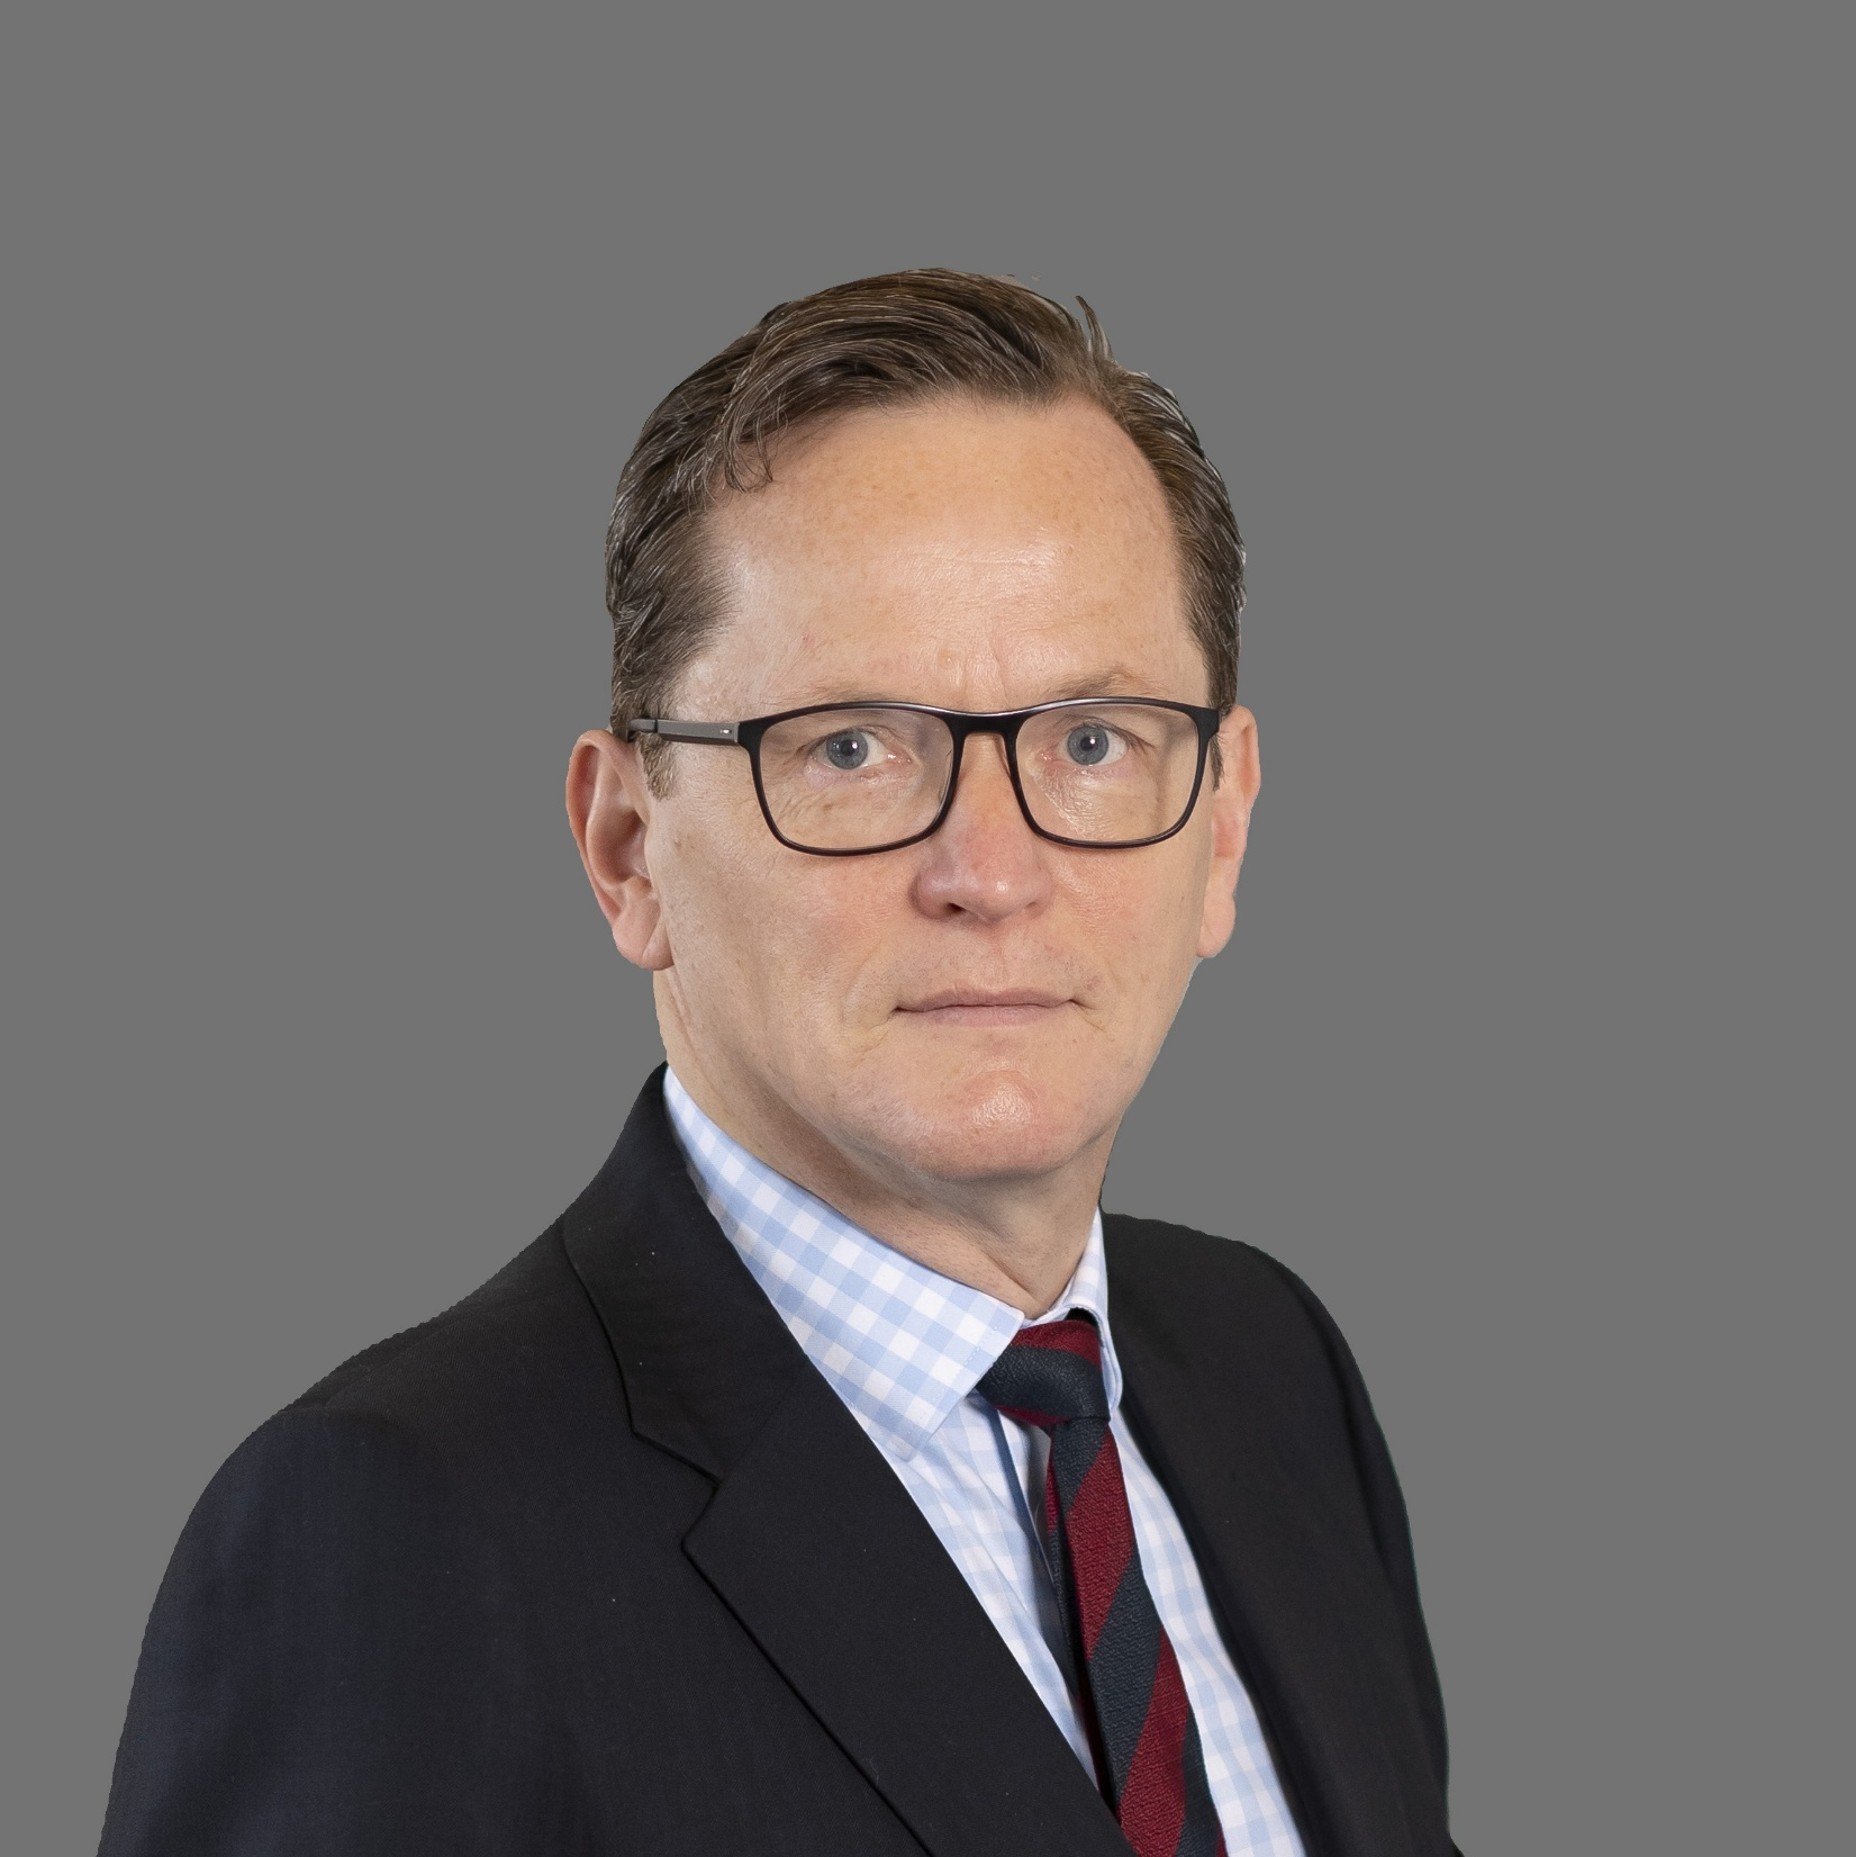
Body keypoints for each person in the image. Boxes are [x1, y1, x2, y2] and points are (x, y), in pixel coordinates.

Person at [96, 268, 1460, 1857]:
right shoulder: (392, 1533)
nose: (990, 870)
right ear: (629, 848)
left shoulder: (1271, 1372)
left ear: (1221, 826)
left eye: (1093, 741)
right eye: (851, 747)